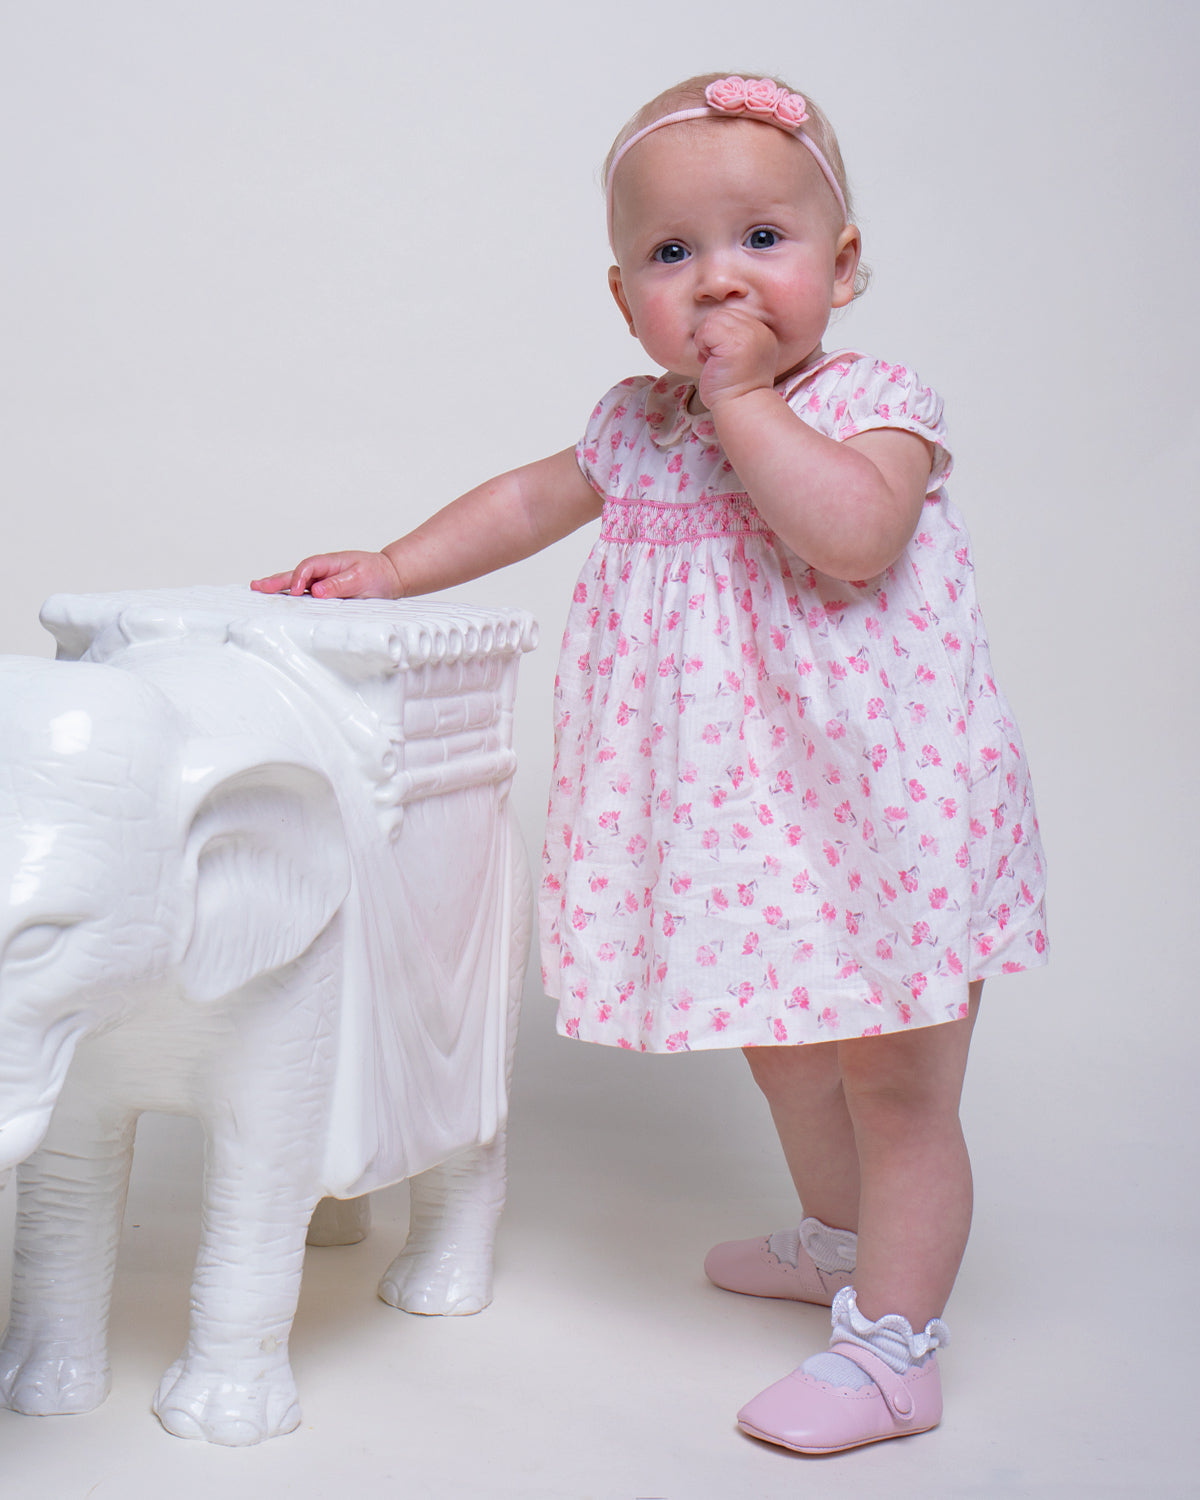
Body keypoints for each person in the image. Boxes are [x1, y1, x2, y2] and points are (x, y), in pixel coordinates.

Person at [253, 71, 1048, 1455]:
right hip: (749, 823)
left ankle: (893, 1349)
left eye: (763, 239)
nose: (719, 280)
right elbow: (525, 499)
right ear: (627, 300)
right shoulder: (638, 425)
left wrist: (744, 399)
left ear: (842, 265)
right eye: (674, 253)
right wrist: (392, 566)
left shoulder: (874, 404)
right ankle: (839, 1240)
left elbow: (853, 537)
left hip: (889, 813)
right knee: (787, 1053)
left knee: (896, 1082)